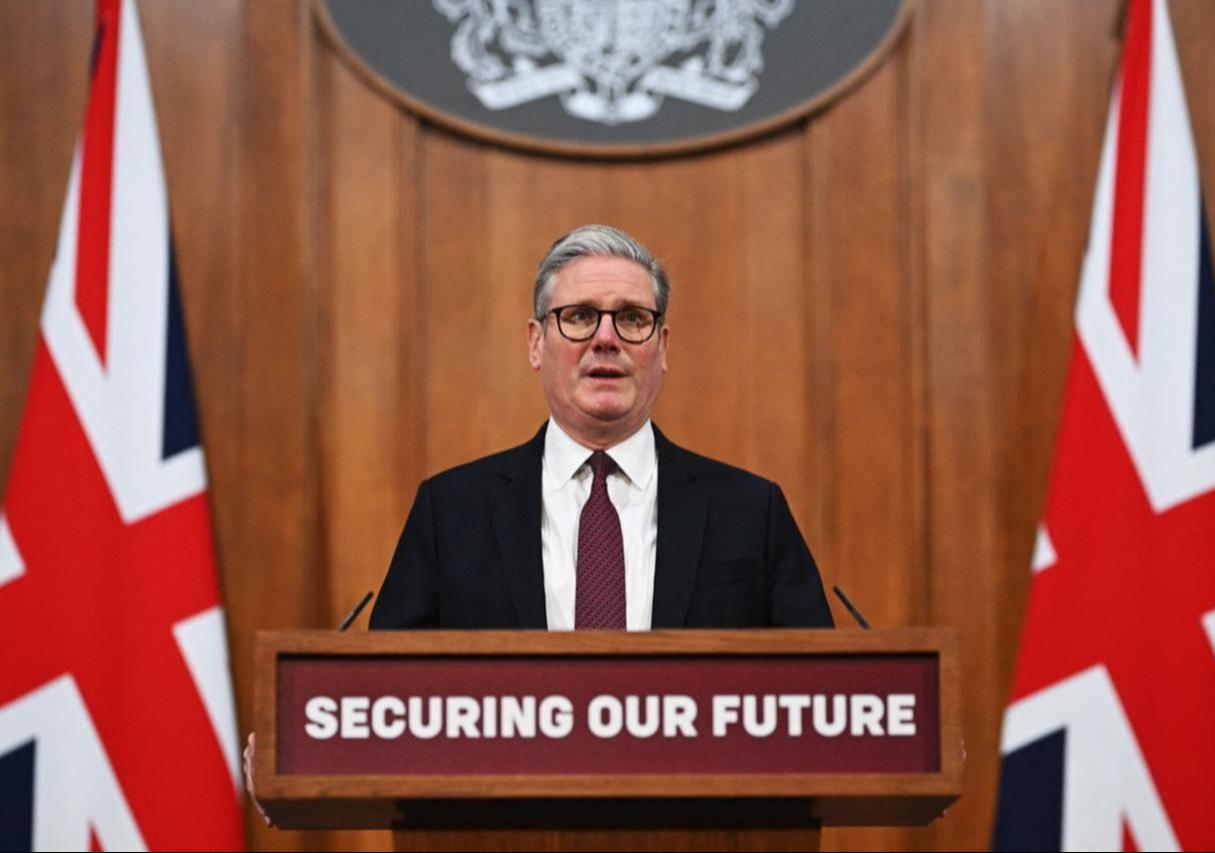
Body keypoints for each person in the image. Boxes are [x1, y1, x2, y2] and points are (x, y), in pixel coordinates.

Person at [243, 224, 832, 820]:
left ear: (663, 345)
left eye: (632, 318)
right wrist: (304, 742)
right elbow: (389, 705)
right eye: (579, 316)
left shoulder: (748, 511)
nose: (606, 338)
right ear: (535, 343)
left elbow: (826, 706)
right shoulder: (452, 512)